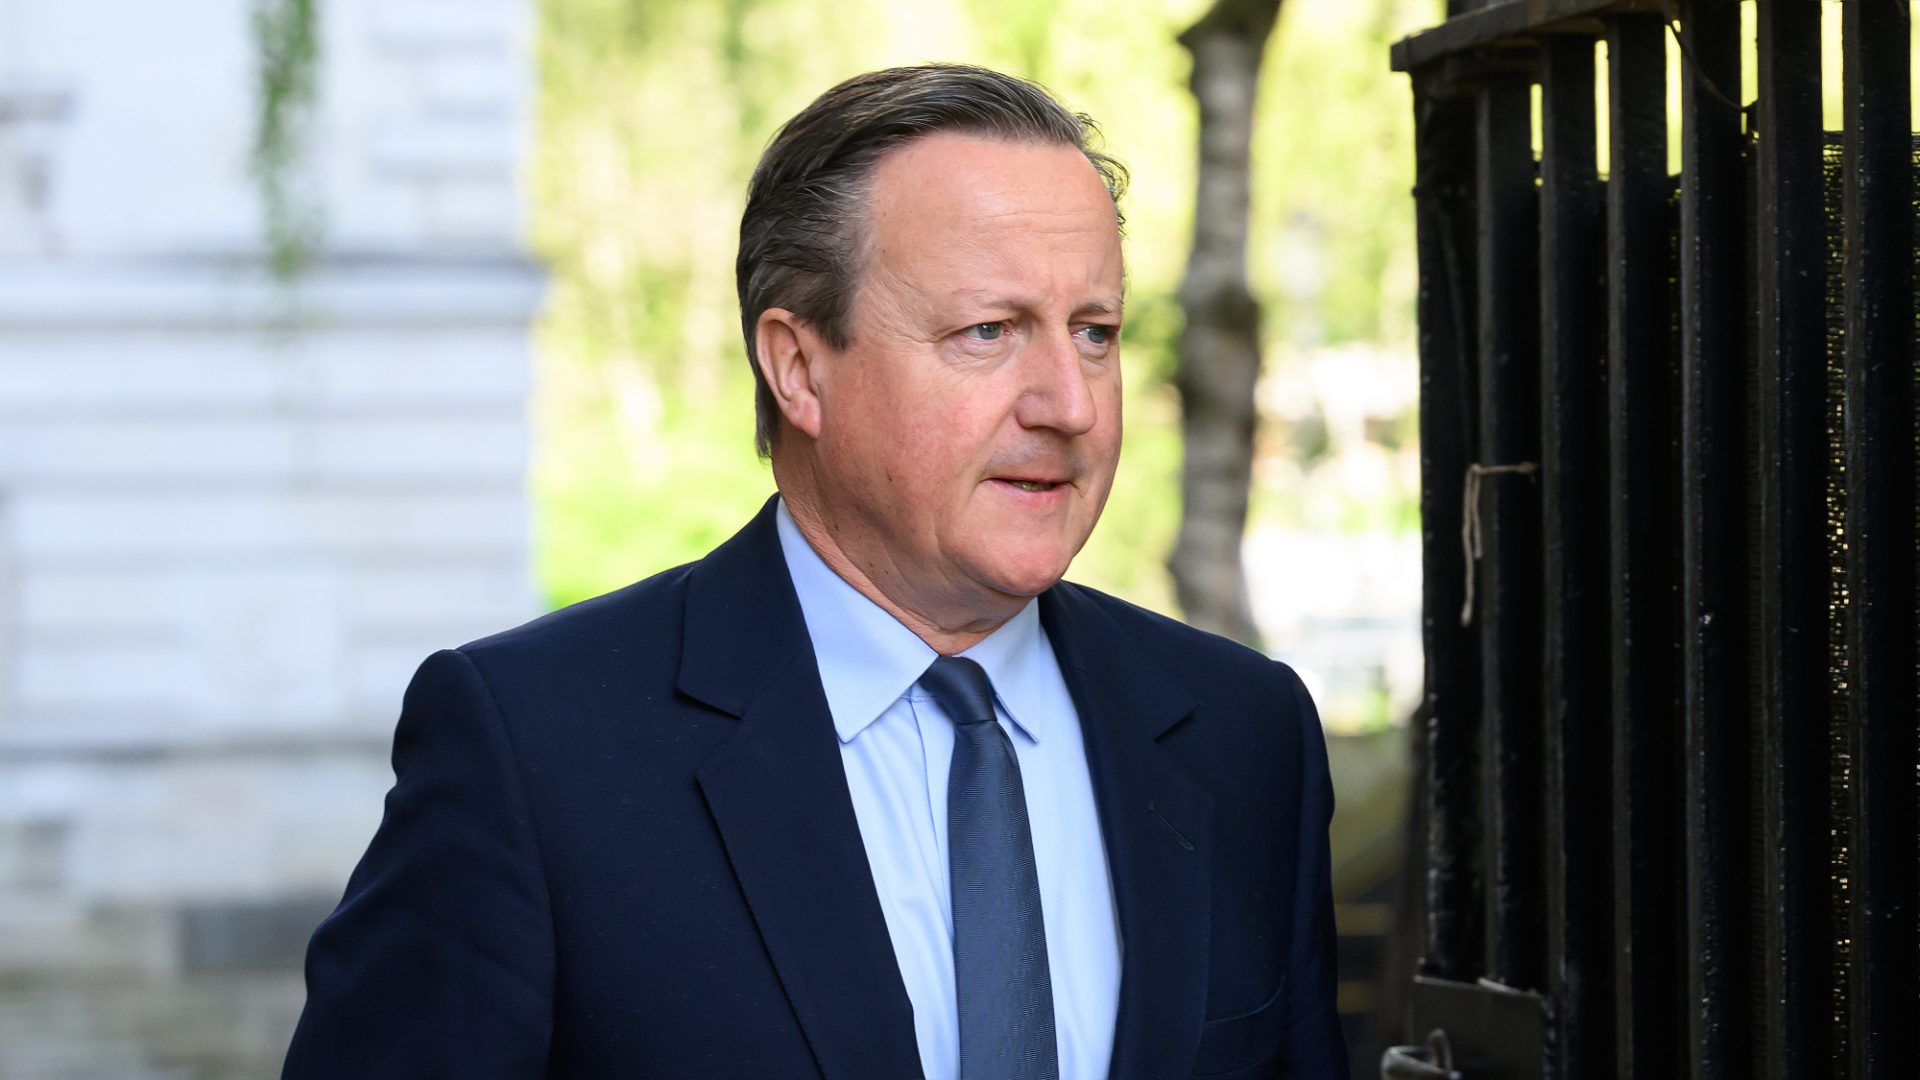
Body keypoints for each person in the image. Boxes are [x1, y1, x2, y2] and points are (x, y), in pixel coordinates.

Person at [283, 63, 1346, 1080]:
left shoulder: (1245, 735)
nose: (1069, 403)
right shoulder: (534, 751)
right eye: (990, 331)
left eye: (1096, 332)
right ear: (797, 365)